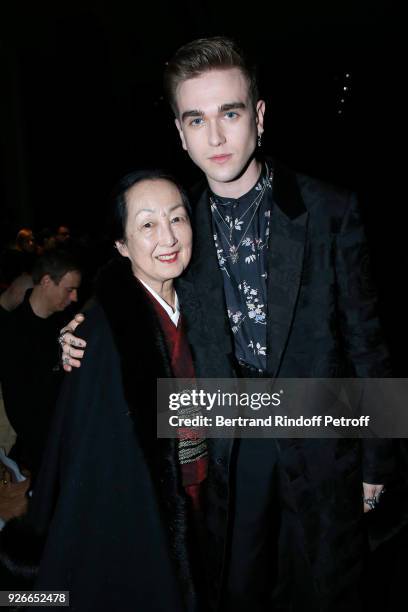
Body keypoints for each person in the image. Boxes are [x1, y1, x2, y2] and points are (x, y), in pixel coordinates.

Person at [56, 37, 396, 611]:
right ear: (180, 130)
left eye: (230, 113)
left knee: (328, 591)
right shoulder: (176, 226)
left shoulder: (330, 210)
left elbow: (367, 341)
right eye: (197, 118)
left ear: (258, 117)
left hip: (321, 437)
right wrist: (81, 328)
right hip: (226, 449)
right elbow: (126, 280)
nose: (215, 137)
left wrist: (377, 460)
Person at [0, 170, 201, 611]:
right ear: (122, 246)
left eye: (178, 218)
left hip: (209, 512)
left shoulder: (202, 305)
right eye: (147, 224)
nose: (167, 236)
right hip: (145, 531)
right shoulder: (103, 335)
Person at [0, 249, 81, 481]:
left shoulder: (67, 323)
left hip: (70, 439)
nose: (74, 297)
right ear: (46, 281)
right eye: (69, 289)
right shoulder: (13, 334)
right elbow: (19, 409)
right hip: (42, 452)